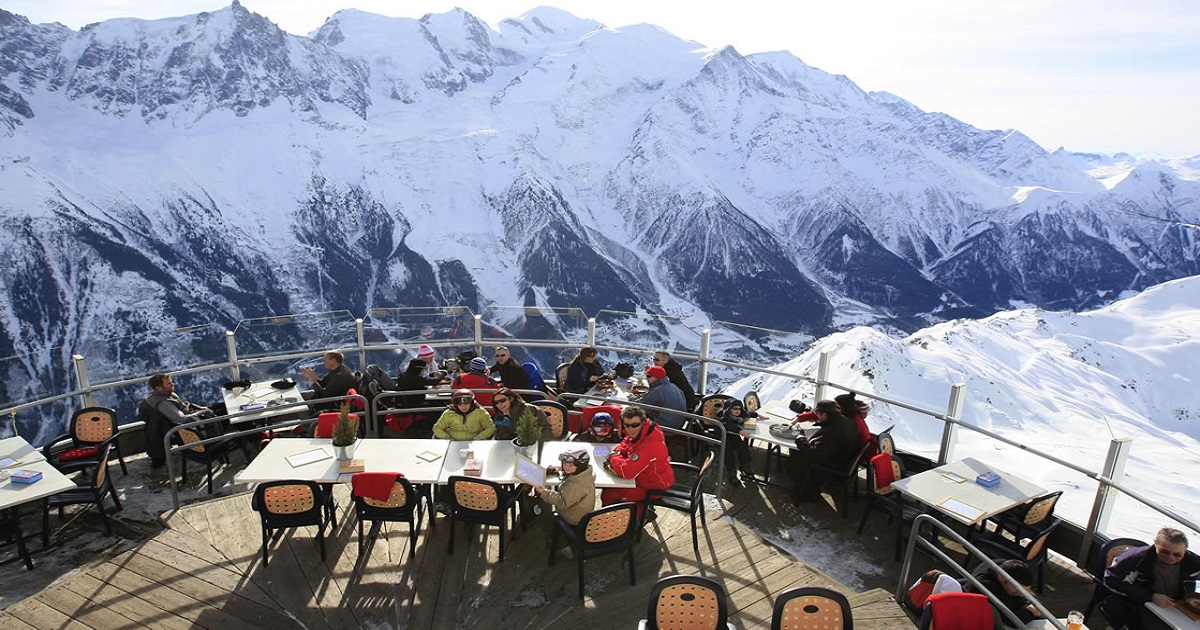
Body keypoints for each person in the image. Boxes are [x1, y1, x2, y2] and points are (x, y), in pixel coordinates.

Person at [1102, 527, 1200, 630]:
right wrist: (1150, 597)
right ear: (1155, 544)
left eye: (1177, 555)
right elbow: (1111, 581)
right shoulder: (1136, 558)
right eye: (1164, 552)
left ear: (1185, 551)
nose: (1171, 558)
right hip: (1136, 603)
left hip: (1175, 606)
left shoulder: (1192, 563)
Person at [600, 406, 674, 517]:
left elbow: (627, 472)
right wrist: (617, 451)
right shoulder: (644, 431)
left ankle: (638, 519)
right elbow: (626, 442)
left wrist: (613, 457)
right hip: (643, 478)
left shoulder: (649, 445)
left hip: (653, 486)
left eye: (635, 425)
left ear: (643, 423)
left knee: (610, 495)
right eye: (627, 425)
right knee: (608, 491)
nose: (630, 429)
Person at [786, 399, 860, 503]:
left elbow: (815, 455)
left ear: (825, 414)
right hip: (845, 459)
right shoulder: (845, 421)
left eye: (818, 414)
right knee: (799, 452)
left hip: (835, 467)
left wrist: (800, 439)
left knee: (794, 458)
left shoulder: (831, 433)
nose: (817, 417)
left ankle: (806, 491)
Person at [140, 373, 214, 467]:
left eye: (171, 382)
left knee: (219, 408)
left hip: (189, 418)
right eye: (168, 383)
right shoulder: (163, 403)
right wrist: (200, 413)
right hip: (189, 426)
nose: (173, 384)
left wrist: (198, 408)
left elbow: (182, 407)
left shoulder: (166, 394)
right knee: (220, 414)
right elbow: (181, 419)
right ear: (159, 388)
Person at [534, 448, 598, 558]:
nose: (566, 467)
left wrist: (544, 493)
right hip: (583, 515)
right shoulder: (586, 474)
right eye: (564, 464)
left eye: (571, 465)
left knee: (546, 515)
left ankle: (562, 545)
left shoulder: (575, 486)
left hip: (573, 519)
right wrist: (562, 470)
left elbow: (562, 502)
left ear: (580, 466)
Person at [963, 559, 1042, 624]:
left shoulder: (1004, 566)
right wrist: (1031, 612)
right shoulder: (986, 586)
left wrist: (1030, 604)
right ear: (1001, 578)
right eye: (1018, 589)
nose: (1020, 594)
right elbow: (1011, 619)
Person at [388, 358, 443, 436]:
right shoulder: (413, 378)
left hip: (410, 403)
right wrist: (442, 375)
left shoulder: (406, 375)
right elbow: (432, 381)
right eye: (424, 368)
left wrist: (432, 375)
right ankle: (434, 431)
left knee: (437, 403)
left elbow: (423, 379)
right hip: (412, 406)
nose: (424, 371)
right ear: (418, 369)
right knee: (439, 408)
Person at [718, 398, 756, 483]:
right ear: (728, 409)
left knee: (743, 448)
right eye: (735, 409)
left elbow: (748, 414)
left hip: (733, 436)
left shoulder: (738, 416)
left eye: (739, 409)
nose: (738, 411)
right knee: (729, 454)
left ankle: (745, 466)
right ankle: (731, 474)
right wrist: (740, 431)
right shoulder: (723, 416)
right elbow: (728, 425)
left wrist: (757, 415)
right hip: (723, 437)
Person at [835, 391, 874, 456]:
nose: (834, 409)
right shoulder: (855, 413)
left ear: (845, 409)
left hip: (857, 451)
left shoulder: (851, 423)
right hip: (864, 446)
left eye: (837, 407)